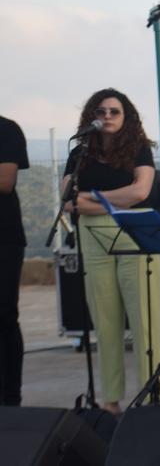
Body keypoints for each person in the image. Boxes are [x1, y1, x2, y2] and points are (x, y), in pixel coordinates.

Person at [61, 89, 159, 415]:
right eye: (100, 111)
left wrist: (92, 198)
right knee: (105, 323)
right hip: (92, 237)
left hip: (135, 233)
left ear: (126, 116)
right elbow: (68, 200)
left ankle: (151, 398)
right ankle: (111, 401)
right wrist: (114, 200)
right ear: (91, 115)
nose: (107, 117)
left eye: (114, 111)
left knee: (144, 320)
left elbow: (140, 191)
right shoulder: (80, 153)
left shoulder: (139, 148)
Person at [0, 115, 29, 406]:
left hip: (4, 238)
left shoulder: (6, 129)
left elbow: (5, 181)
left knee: (4, 316)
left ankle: (10, 400)